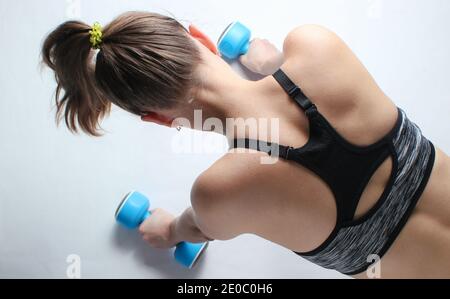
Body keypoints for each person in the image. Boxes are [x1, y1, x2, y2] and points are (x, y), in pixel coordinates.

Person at [42, 11, 450, 278]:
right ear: (201, 39)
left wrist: (167, 229)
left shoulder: (217, 193)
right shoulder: (315, 45)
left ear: (159, 120)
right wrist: (276, 66)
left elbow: (195, 226)